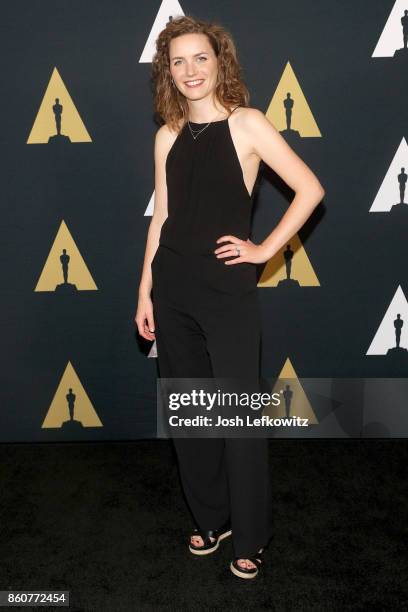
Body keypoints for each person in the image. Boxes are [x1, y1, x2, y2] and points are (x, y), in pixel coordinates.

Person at [135, 15, 325, 580]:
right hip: (172, 290)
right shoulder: (165, 134)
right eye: (178, 61)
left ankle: (251, 535)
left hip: (226, 293)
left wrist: (264, 248)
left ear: (220, 62)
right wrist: (144, 290)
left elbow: (310, 189)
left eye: (200, 58)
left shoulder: (247, 124)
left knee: (239, 417)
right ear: (166, 72)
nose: (190, 70)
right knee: (191, 416)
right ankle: (210, 518)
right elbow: (162, 219)